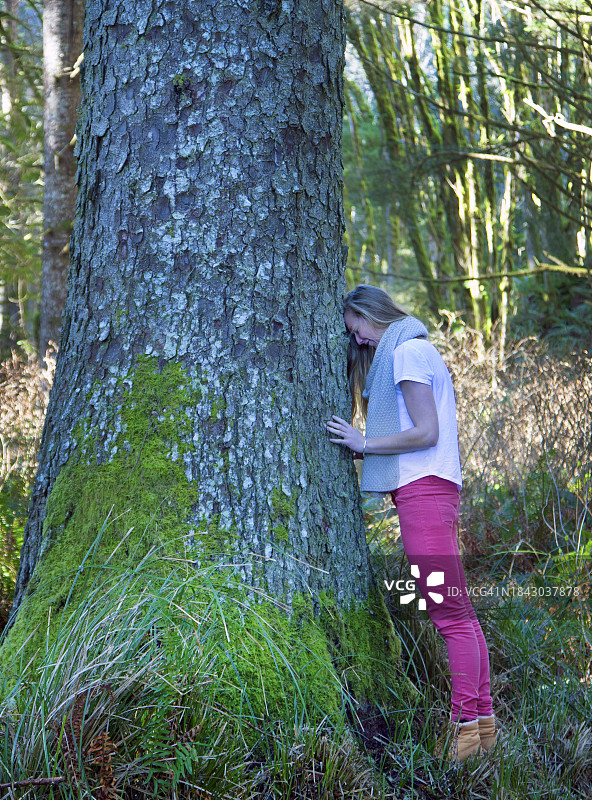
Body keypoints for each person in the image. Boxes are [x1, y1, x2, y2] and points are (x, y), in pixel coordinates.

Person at [326, 284, 496, 762]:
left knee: (450, 617)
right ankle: (482, 730)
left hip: (424, 494)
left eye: (354, 328)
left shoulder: (405, 353)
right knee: (461, 616)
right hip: (431, 493)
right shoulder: (415, 348)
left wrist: (363, 444)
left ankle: (464, 732)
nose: (356, 340)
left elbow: (426, 432)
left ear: (366, 313)